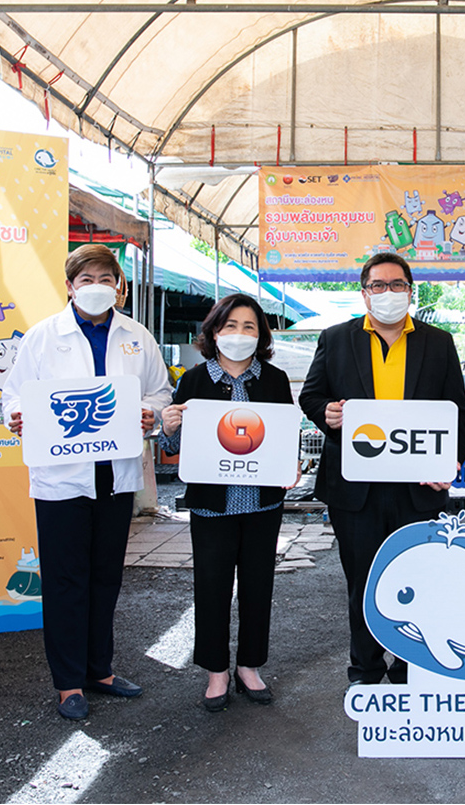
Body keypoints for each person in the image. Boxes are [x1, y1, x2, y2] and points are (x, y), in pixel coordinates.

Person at [2, 244, 172, 721]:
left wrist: (151, 413)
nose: (97, 286)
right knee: (65, 581)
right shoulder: (42, 337)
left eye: (105, 278)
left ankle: (100, 669)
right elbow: (13, 396)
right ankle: (69, 682)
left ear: (119, 286)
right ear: (70, 286)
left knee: (105, 577)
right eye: (86, 279)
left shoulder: (137, 337)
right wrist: (17, 416)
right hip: (61, 480)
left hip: (114, 477)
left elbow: (160, 392)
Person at [299, 253, 465, 685]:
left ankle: (411, 668)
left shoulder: (439, 342)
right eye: (378, 285)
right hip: (357, 489)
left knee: (420, 579)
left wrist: (450, 460)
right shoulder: (336, 339)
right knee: (364, 581)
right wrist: (326, 413)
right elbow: (311, 396)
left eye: (397, 285)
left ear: (410, 292)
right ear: (364, 293)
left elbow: (458, 412)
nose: (388, 293)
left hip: (419, 486)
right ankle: (365, 669)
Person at [158, 294, 296, 712]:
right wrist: (168, 428)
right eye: (230, 325)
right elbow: (173, 446)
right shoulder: (194, 380)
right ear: (215, 332)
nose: (239, 334)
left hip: (262, 504)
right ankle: (216, 670)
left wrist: (289, 464)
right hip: (211, 506)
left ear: (261, 335)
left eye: (249, 326)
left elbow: (284, 434)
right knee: (211, 587)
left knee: (258, 586)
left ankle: (249, 666)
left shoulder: (275, 380)